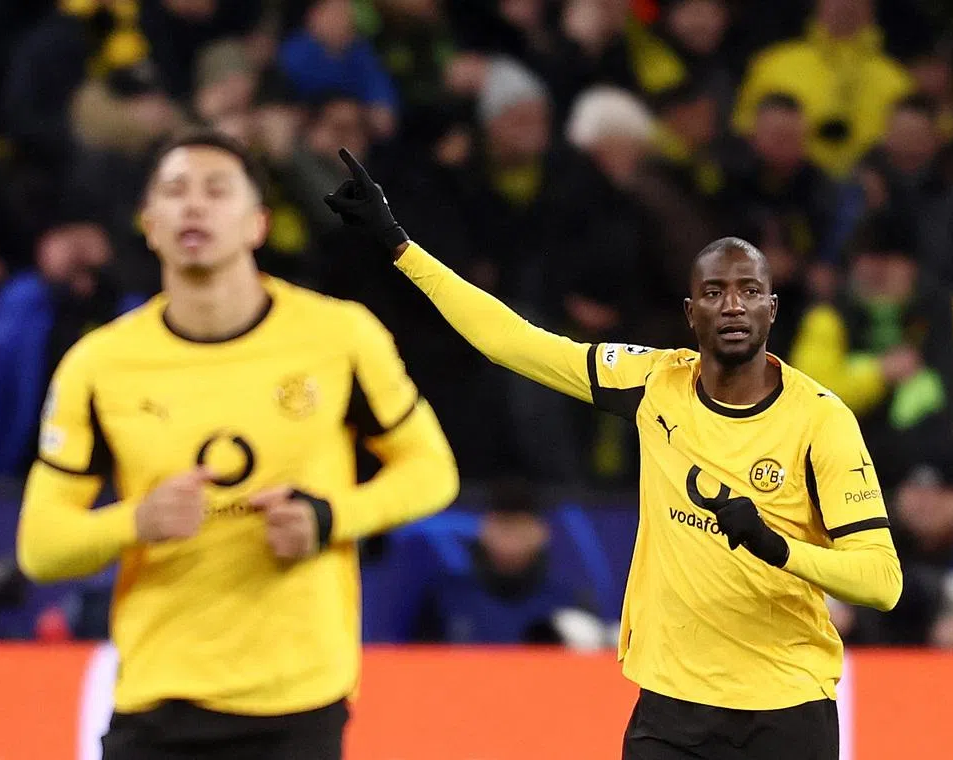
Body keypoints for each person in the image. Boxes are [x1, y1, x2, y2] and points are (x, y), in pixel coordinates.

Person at [325, 149, 903, 760]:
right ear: (691, 313)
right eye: (714, 292)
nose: (732, 305)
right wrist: (398, 244)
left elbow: (882, 581)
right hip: (671, 706)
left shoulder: (821, 420)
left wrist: (777, 548)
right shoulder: (654, 382)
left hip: (785, 709)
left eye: (749, 291)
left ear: (771, 307)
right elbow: (512, 342)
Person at [15, 130, 460, 760]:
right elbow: (40, 547)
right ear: (149, 224)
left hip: (298, 701)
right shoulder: (99, 365)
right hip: (156, 698)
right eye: (174, 191)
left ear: (258, 225)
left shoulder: (339, 336)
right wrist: (137, 520)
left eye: (216, 190)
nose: (193, 206)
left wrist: (329, 516)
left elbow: (433, 471)